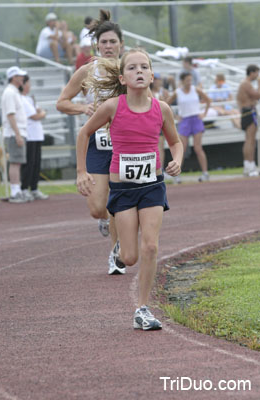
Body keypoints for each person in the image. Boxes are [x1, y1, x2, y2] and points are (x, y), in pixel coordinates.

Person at [76, 48, 183, 330]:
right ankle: (120, 247)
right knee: (129, 257)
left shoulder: (162, 108)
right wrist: (81, 172)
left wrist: (178, 160)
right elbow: (84, 133)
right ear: (122, 78)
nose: (139, 71)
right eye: (133, 68)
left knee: (150, 245)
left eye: (144, 67)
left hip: (152, 185)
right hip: (122, 189)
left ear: (151, 75)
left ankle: (142, 309)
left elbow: (175, 142)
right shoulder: (113, 107)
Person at [57, 10, 125, 275]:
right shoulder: (87, 71)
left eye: (113, 42)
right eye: (104, 42)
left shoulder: (129, 67)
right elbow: (61, 102)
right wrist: (83, 108)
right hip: (98, 143)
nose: (108, 46)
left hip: (124, 143)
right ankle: (105, 221)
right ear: (97, 44)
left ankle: (116, 254)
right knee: (98, 208)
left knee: (118, 204)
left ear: (121, 44)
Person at [168, 72, 211, 182]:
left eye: (190, 80)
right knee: (182, 148)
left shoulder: (195, 89)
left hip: (196, 119)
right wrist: (175, 116)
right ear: (182, 81)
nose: (189, 82)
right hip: (185, 120)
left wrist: (204, 113)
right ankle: (176, 176)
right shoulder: (177, 92)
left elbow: (208, 100)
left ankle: (205, 173)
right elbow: (167, 103)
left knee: (198, 148)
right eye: (187, 80)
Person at [1, 66, 28, 203]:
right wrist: (17, 134)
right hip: (14, 132)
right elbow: (10, 115)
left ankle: (16, 190)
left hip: (17, 131)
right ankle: (15, 191)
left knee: (17, 162)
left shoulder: (13, 92)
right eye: (20, 76)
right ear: (14, 77)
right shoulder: (10, 93)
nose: (22, 78)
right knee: (15, 162)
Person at [19, 75, 49, 201]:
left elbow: (37, 112)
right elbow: (35, 115)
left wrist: (40, 112)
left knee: (36, 163)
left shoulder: (28, 99)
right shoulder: (21, 99)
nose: (29, 85)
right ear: (23, 85)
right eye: (28, 83)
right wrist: (43, 113)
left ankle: (34, 188)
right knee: (29, 163)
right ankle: (24, 188)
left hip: (36, 135)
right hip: (29, 135)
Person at [237, 64, 260, 177]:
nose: (257, 75)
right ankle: (250, 167)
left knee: (249, 140)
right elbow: (258, 95)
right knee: (250, 140)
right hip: (249, 112)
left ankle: (248, 165)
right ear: (252, 72)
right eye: (257, 73)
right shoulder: (246, 84)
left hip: (247, 112)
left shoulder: (245, 84)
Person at [150, 73, 170, 180]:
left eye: (160, 80)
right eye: (157, 79)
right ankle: (154, 169)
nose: (159, 82)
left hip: (159, 121)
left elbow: (166, 106)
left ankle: (160, 169)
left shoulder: (163, 92)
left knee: (160, 147)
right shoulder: (149, 92)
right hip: (150, 122)